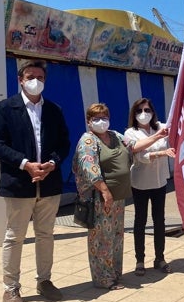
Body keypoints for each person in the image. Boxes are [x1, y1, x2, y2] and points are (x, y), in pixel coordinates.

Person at [0, 60, 70, 302]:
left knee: (46, 234)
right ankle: (11, 287)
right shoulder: (5, 108)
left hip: (49, 183)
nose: (36, 80)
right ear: (20, 80)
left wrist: (52, 164)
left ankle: (44, 281)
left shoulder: (54, 110)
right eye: (30, 75)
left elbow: (64, 143)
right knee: (15, 236)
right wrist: (26, 164)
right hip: (18, 184)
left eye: (40, 76)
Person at [72, 103, 168, 290]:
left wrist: (157, 136)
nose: (101, 121)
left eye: (104, 117)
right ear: (89, 121)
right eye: (96, 118)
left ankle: (114, 274)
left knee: (115, 237)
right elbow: (89, 168)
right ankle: (103, 278)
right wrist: (105, 191)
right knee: (102, 238)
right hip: (100, 198)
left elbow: (134, 147)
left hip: (118, 197)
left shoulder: (115, 136)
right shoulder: (88, 140)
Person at [124, 98, 176, 276]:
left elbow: (175, 130)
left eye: (147, 110)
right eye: (139, 111)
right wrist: (161, 152)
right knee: (140, 222)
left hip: (160, 181)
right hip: (140, 183)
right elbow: (140, 156)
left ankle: (159, 258)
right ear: (134, 114)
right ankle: (140, 260)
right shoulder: (131, 133)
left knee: (159, 221)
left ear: (153, 112)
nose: (143, 114)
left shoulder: (161, 127)